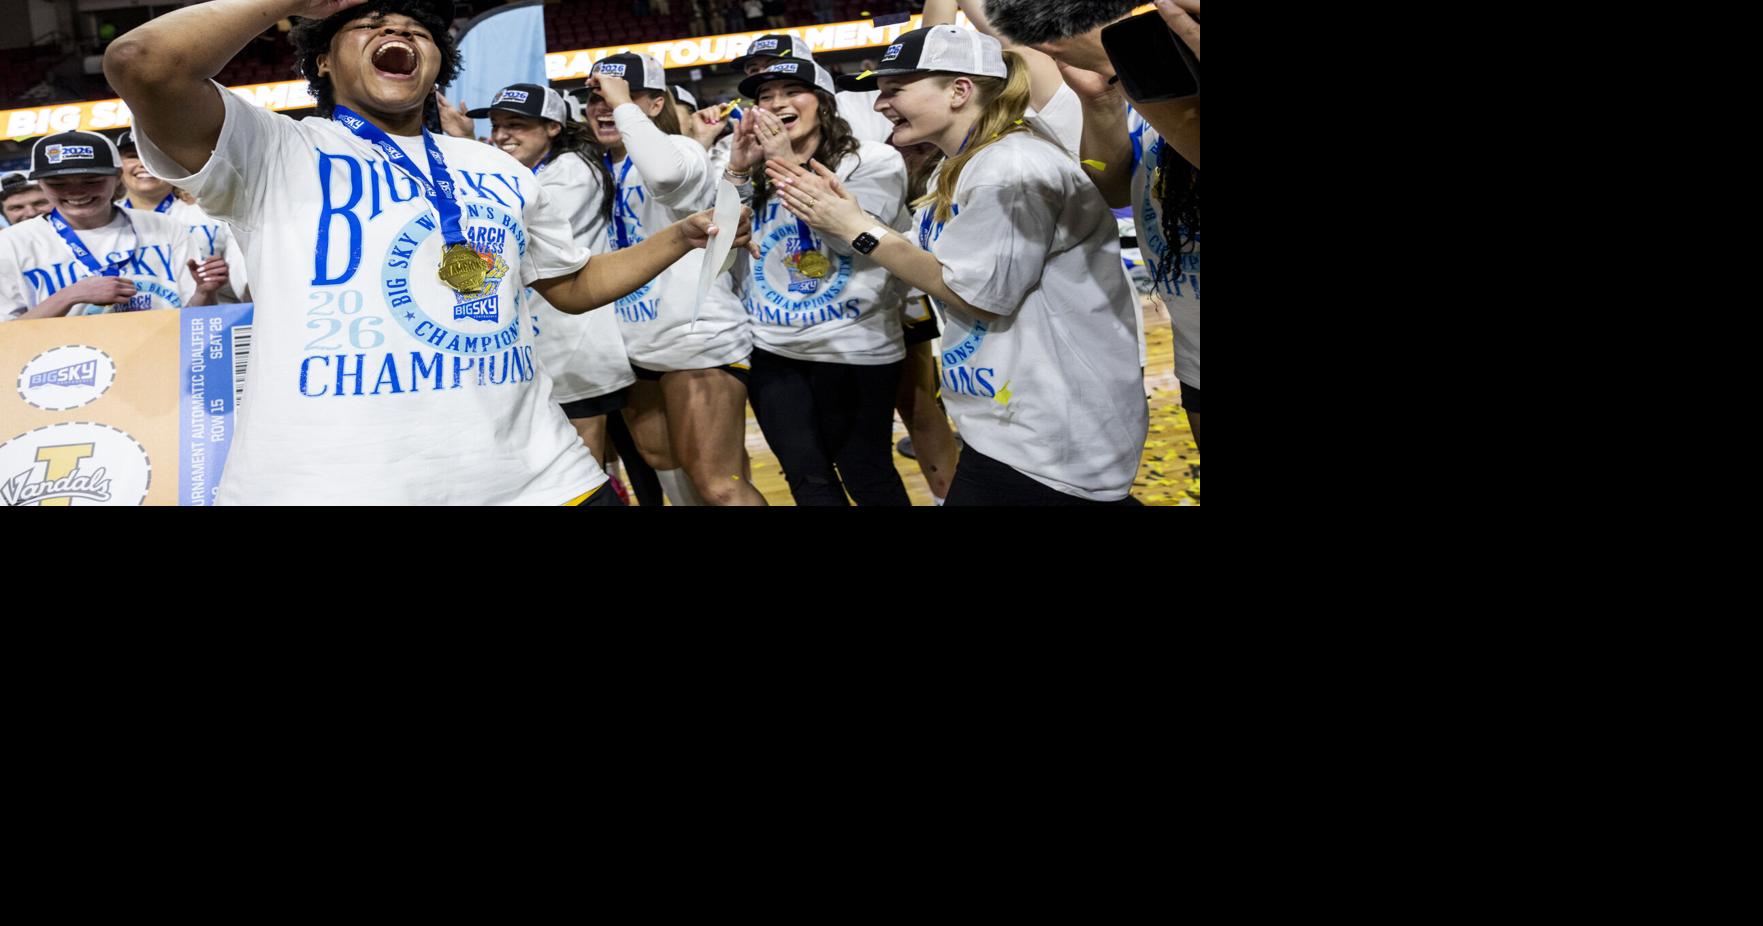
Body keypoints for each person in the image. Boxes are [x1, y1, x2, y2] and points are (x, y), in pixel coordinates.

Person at [103, 0, 749, 505]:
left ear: (439, 62)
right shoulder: (272, 149)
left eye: (420, 30)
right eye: (372, 25)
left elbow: (570, 285)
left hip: (537, 476)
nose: (403, 34)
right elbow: (142, 61)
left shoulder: (497, 168)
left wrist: (679, 237)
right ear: (321, 61)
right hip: (329, 487)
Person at [773, 26, 1146, 504]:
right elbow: (936, 255)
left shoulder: (1009, 166)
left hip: (1053, 432)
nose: (881, 105)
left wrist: (857, 228)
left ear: (959, 91)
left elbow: (978, 294)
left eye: (895, 90)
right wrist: (852, 218)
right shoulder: (968, 162)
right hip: (1012, 421)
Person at [983, 0, 1201, 448]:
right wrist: (1101, 98)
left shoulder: (1150, 62)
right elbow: (1115, 189)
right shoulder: (1144, 64)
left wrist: (1117, 64)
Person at [581, 53, 764, 506]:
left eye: (619, 95)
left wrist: (622, 105)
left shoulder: (681, 151)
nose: (603, 106)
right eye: (594, 98)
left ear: (656, 103)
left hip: (697, 342)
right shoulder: (596, 168)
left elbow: (663, 174)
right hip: (639, 347)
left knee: (721, 487)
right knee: (665, 460)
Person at [730, 58, 911, 505]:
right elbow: (723, 248)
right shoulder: (755, 170)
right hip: (773, 349)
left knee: (866, 473)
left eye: (792, 91)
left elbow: (854, 240)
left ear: (824, 102)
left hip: (853, 347)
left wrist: (786, 162)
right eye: (765, 97)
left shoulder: (872, 160)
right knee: (806, 481)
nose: (776, 105)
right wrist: (735, 173)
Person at [459, 83, 637, 470]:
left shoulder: (572, 171)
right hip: (550, 345)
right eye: (497, 124)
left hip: (576, 348)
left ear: (553, 127)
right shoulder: (530, 172)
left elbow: (512, 230)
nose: (502, 134)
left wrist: (467, 151)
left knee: (584, 466)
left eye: (516, 124)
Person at [1, 130, 223, 322]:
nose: (76, 192)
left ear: (118, 177)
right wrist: (71, 295)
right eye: (58, 184)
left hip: (161, 356)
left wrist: (204, 293)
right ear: (40, 184)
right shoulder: (10, 244)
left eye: (91, 181)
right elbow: (7, 337)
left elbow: (196, 319)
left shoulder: (164, 227)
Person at [115, 128, 250, 303]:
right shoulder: (100, 221)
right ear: (118, 167)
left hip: (212, 319)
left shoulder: (212, 212)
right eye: (133, 155)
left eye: (156, 154)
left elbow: (245, 280)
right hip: (124, 322)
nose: (144, 163)